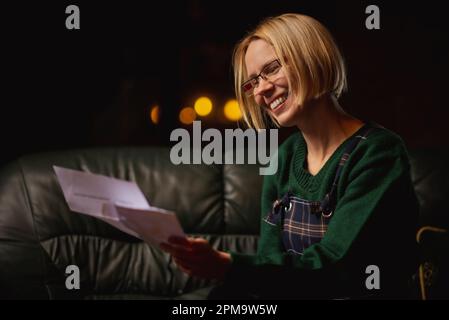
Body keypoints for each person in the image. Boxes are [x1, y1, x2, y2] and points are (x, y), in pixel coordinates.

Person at [160, 13, 419, 299]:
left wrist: (228, 265)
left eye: (271, 69)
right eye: (252, 82)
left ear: (312, 56)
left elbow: (336, 265)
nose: (261, 90)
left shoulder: (378, 153)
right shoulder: (284, 157)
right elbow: (271, 265)